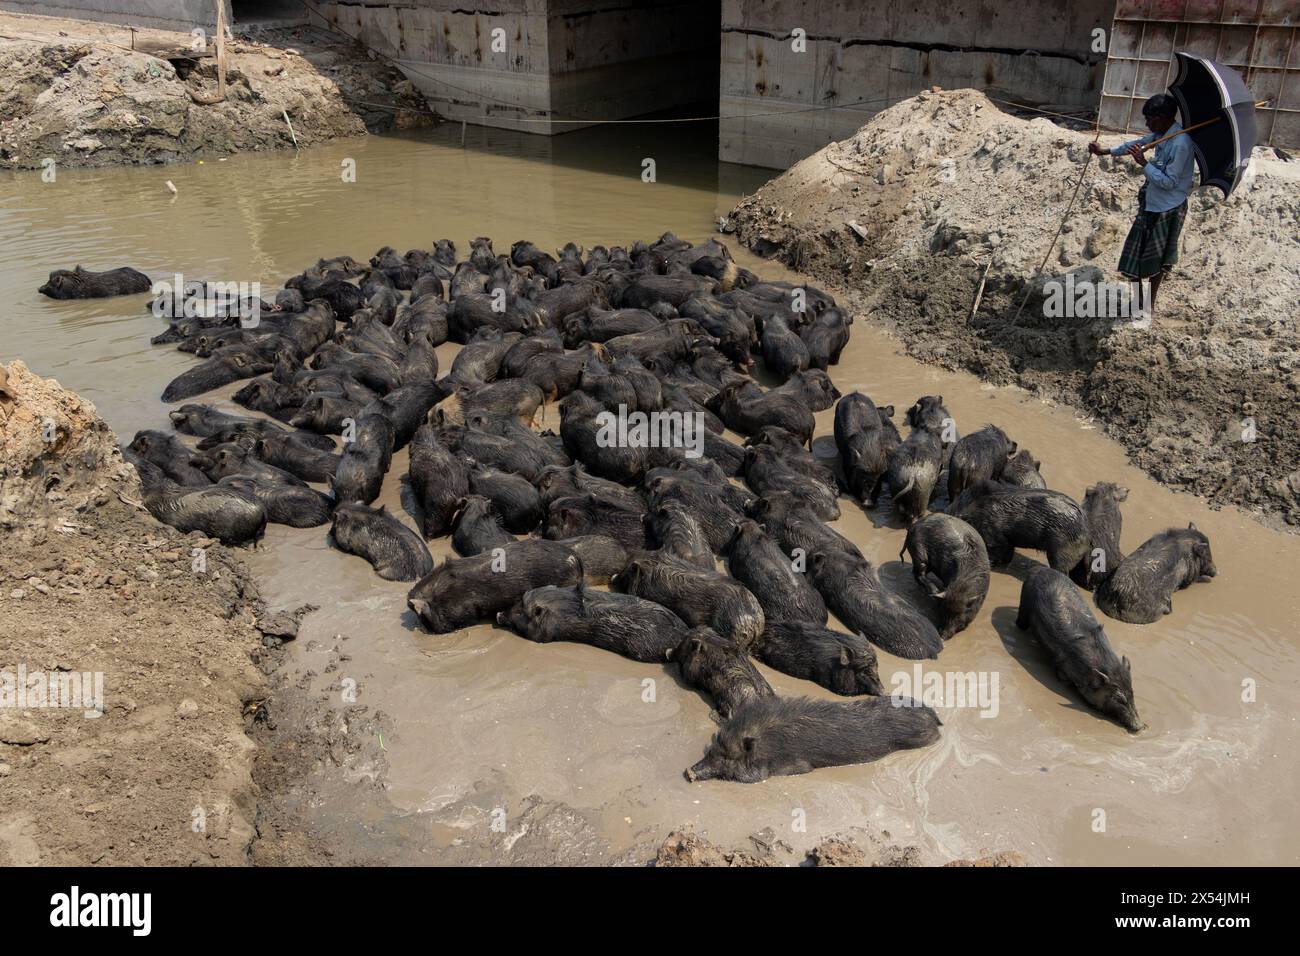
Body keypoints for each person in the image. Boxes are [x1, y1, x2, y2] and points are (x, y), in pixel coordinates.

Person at [1088, 93, 1195, 323]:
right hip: (1151, 203)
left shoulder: (1181, 144)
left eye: (1150, 119)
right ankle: (1137, 304)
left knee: (1157, 261)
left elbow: (1169, 182)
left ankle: (1148, 306)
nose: (1147, 124)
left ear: (1163, 118)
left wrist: (1144, 164)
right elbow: (1133, 145)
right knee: (1134, 256)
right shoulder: (1161, 134)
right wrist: (1104, 151)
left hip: (1169, 206)